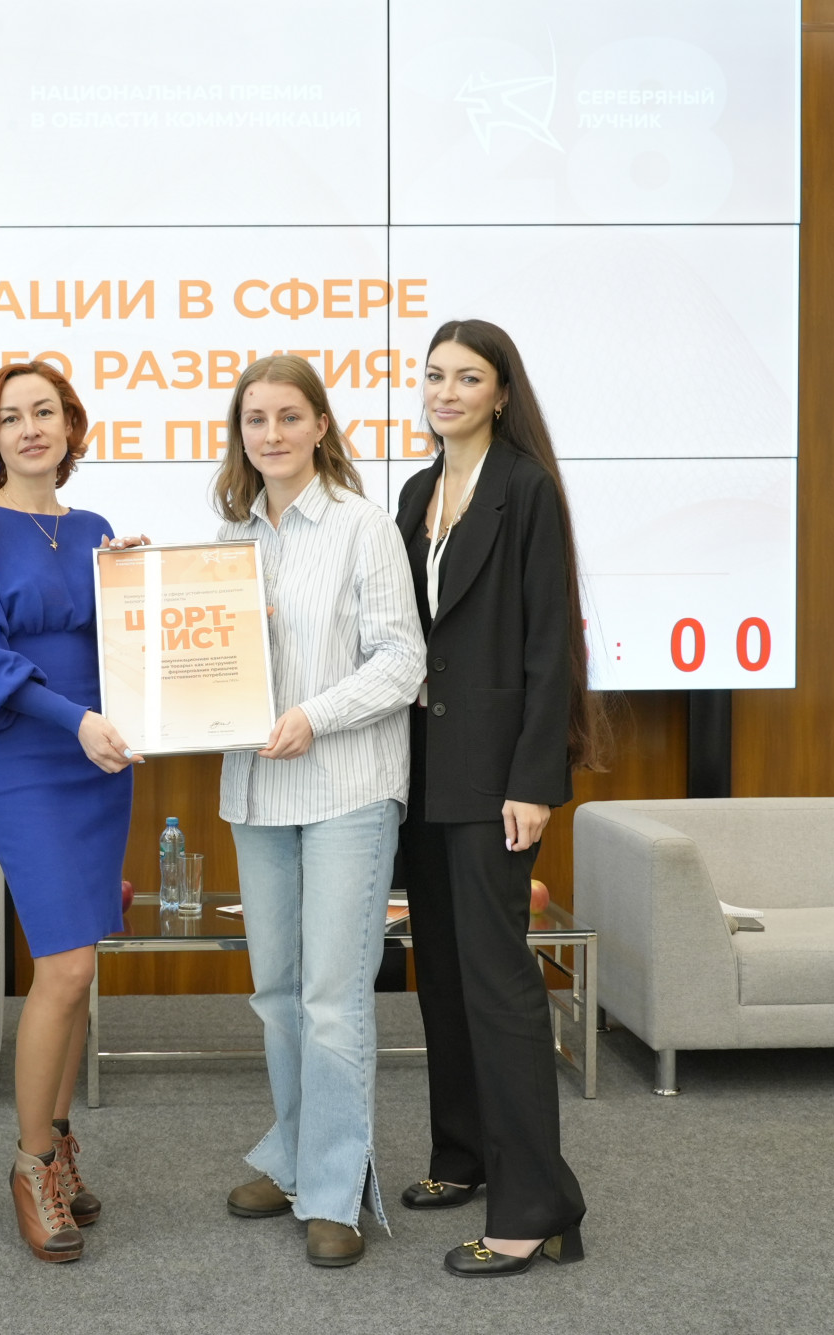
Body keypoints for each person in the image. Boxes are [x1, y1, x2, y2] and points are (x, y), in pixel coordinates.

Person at [394, 318, 608, 1276]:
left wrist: (535, 780)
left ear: (502, 393)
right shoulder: (416, 493)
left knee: (498, 981)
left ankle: (536, 1204)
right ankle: (463, 1154)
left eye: (467, 377)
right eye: (434, 375)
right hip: (421, 771)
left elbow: (547, 643)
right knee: (440, 971)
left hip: (495, 781)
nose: (446, 391)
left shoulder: (525, 489)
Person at [0, 361, 143, 1265]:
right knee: (64, 965)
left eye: (44, 412)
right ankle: (29, 1166)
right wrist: (76, 720)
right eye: (10, 417)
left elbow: (125, 642)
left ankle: (59, 1141)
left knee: (81, 967)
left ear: (70, 427)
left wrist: (143, 588)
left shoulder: (94, 530)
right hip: (30, 760)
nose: (29, 429)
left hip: (101, 764)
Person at [213, 354, 426, 1269]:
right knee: (276, 993)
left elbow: (402, 660)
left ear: (321, 425)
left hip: (347, 785)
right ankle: (298, 1154)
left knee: (333, 1000)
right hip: (258, 790)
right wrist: (138, 585)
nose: (272, 434)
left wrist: (313, 715)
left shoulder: (362, 526)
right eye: (255, 419)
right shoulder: (228, 538)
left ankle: (336, 1189)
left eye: (289, 416)